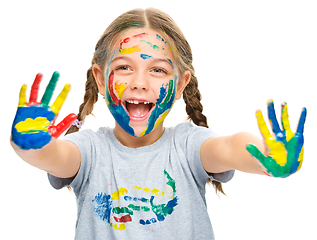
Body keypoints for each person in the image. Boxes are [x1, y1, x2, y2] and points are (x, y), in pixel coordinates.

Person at [10, 8, 306, 240]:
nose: (139, 82)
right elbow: (53, 156)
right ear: (100, 79)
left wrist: (267, 155)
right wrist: (31, 144)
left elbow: (230, 147)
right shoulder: (89, 150)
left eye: (158, 70)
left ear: (180, 84)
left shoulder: (189, 146)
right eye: (124, 67)